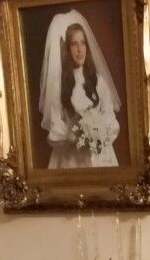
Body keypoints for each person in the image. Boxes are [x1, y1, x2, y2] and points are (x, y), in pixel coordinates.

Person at [38, 10, 121, 169]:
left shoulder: (98, 82)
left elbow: (110, 118)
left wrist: (97, 132)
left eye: (83, 43)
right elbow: (55, 128)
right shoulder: (60, 86)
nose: (79, 49)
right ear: (67, 49)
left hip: (99, 156)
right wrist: (73, 134)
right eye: (74, 44)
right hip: (71, 159)